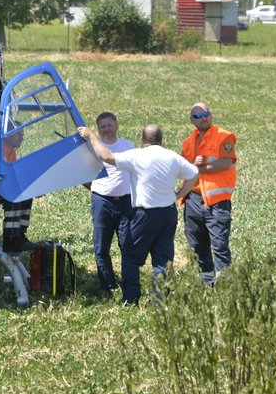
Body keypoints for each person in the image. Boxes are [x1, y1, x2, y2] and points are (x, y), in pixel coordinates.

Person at [78, 124, 199, 305]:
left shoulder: (137, 155)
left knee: (131, 255)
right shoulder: (173, 157)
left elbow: (106, 156)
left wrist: (91, 136)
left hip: (145, 214)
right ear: (161, 139)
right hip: (168, 213)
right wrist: (179, 195)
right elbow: (194, 173)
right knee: (162, 258)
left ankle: (131, 297)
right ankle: (159, 299)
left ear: (143, 140)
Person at [180, 103, 237, 285]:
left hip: (216, 201)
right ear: (191, 121)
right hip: (193, 199)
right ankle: (206, 282)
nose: (203, 118)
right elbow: (182, 166)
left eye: (206, 114)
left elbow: (226, 163)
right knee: (197, 244)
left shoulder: (224, 136)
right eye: (198, 116)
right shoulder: (188, 142)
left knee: (219, 244)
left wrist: (199, 169)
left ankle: (225, 283)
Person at [82, 112, 134, 291]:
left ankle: (129, 281)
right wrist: (99, 189)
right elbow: (83, 175)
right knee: (101, 246)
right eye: (102, 126)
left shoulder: (128, 146)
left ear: (116, 126)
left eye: (109, 125)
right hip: (102, 202)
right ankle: (109, 285)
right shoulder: (93, 148)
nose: (106, 129)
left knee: (127, 245)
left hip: (125, 202)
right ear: (98, 129)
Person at [0, 126, 36, 253]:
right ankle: (10, 239)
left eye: (23, 135)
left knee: (26, 194)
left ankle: (20, 234)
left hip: (0, 185)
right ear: (8, 135)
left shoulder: (11, 152)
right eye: (19, 134)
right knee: (14, 195)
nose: (21, 138)